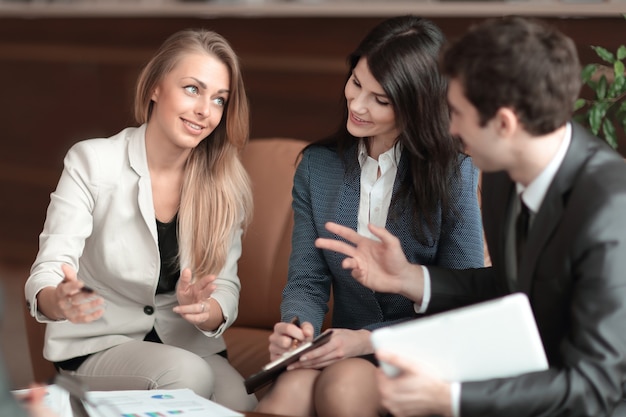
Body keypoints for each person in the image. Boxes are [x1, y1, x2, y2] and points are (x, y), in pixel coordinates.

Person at [315, 16, 626, 417]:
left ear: (504, 124)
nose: (447, 127)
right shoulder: (501, 171)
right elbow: (510, 283)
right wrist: (410, 278)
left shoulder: (611, 208)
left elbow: (594, 387)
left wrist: (452, 399)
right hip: (522, 379)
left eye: (456, 113)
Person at [256, 15, 485, 417]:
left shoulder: (454, 175)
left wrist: (368, 341)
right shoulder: (317, 167)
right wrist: (298, 331)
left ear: (416, 108)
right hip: (345, 349)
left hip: (419, 353)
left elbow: (462, 301)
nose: (357, 105)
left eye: (380, 100)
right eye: (356, 83)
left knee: (343, 385)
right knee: (291, 388)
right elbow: (307, 280)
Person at [23, 28, 257, 411]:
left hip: (185, 341)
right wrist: (59, 302)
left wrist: (204, 309)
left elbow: (225, 289)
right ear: (154, 87)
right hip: (99, 344)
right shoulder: (92, 162)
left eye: (219, 99)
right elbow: (49, 268)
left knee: (240, 400)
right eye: (192, 89)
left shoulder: (225, 184)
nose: (205, 110)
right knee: (188, 377)